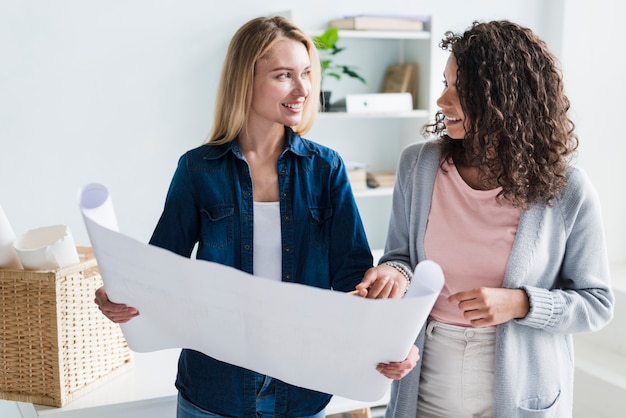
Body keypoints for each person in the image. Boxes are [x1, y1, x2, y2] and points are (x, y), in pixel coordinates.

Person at [93, 15, 382, 418]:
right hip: (214, 391)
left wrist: (387, 341)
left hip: (301, 391)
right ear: (245, 79)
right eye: (284, 75)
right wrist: (120, 296)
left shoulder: (325, 170)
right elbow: (160, 270)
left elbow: (355, 279)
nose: (303, 89)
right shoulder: (198, 169)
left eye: (306, 74)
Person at [356, 20, 615, 417]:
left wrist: (521, 303)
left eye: (460, 90)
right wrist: (394, 274)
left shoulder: (567, 189)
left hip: (518, 389)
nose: (442, 100)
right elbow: (401, 257)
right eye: (445, 83)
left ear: (506, 99)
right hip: (427, 379)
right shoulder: (418, 165)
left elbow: (596, 303)